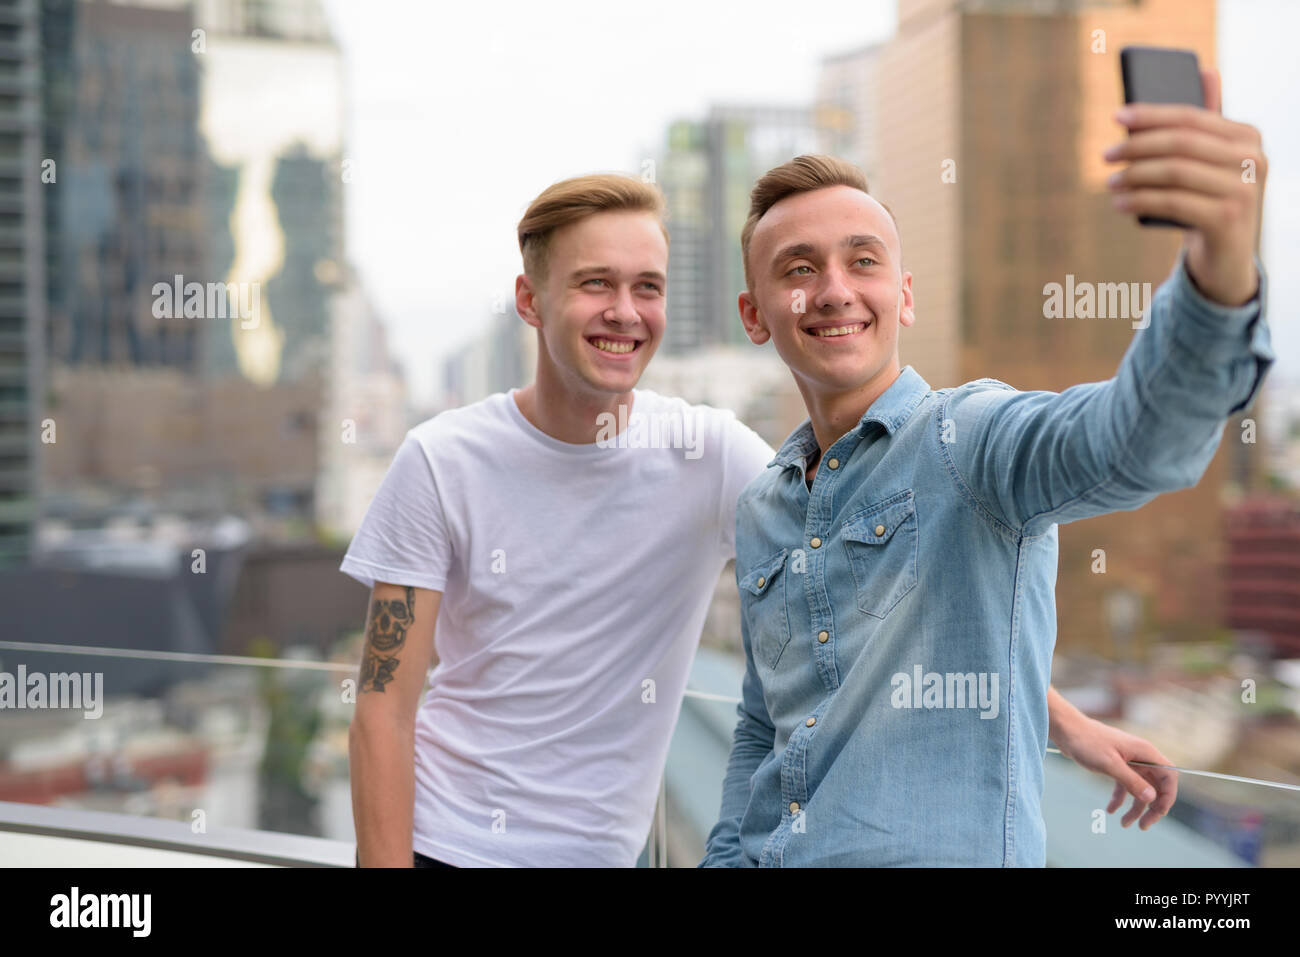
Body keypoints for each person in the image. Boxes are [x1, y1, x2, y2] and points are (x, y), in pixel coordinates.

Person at [343, 172, 1193, 868]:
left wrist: (1066, 722)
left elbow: (902, 567)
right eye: (594, 284)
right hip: (445, 844)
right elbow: (384, 704)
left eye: (648, 287)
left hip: (610, 855)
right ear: (530, 300)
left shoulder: (710, 454)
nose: (625, 312)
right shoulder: (439, 458)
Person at [702, 70, 1272, 867]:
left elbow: (1134, 441)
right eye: (798, 269)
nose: (833, 290)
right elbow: (769, 721)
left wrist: (1219, 271)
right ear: (754, 314)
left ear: (904, 296)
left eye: (861, 261)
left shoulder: (966, 440)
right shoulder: (763, 504)